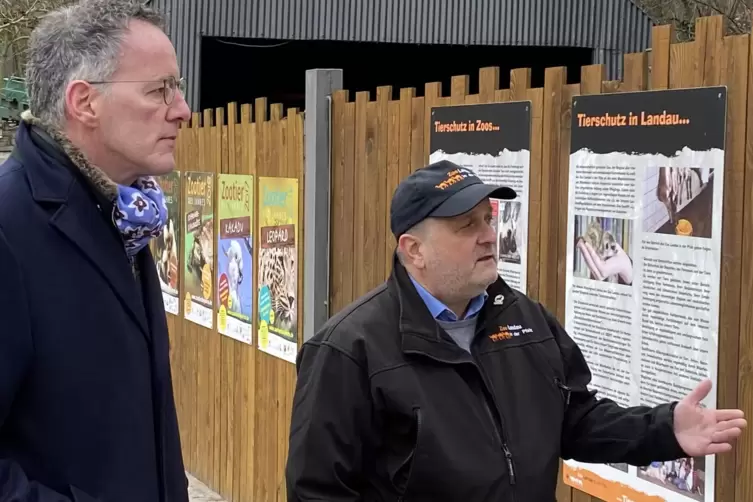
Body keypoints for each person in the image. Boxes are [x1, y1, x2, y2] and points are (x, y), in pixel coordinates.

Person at [285, 160, 746, 501]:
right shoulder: (349, 349)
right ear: (414, 250)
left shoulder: (524, 319)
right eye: (467, 226)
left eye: (489, 219)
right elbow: (318, 493)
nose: (489, 234)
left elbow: (575, 420)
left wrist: (664, 429)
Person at [0, 0, 191, 500]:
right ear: (84, 102)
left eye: (179, 88)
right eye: (160, 90)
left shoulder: (123, 214)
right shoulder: (9, 226)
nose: (182, 110)